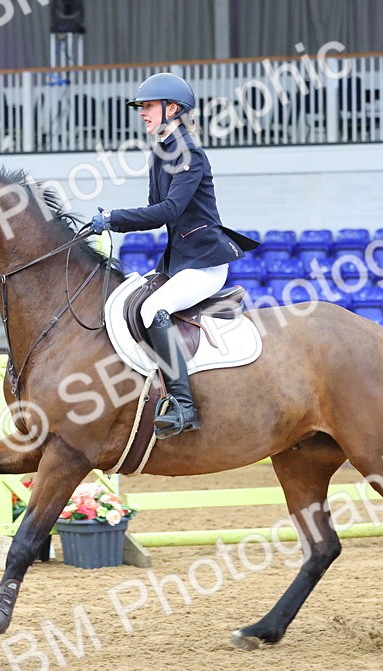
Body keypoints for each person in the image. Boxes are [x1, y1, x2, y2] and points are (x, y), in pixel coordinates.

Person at [90, 73, 258, 439]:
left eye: (148, 107)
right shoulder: (161, 152)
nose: (143, 113)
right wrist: (110, 222)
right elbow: (154, 209)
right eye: (142, 108)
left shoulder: (189, 153)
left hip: (205, 262)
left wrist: (112, 219)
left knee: (153, 310)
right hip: (178, 261)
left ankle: (184, 406)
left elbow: (169, 210)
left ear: (173, 109)